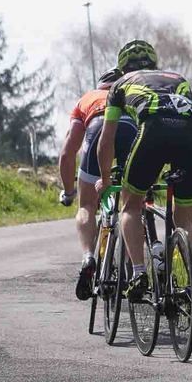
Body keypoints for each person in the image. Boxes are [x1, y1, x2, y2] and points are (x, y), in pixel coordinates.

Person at [94, 41, 192, 311]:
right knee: (185, 220)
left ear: (122, 68)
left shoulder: (120, 85)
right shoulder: (178, 78)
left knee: (131, 206)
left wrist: (105, 180)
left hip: (152, 130)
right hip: (190, 136)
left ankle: (139, 273)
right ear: (154, 64)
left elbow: (106, 140)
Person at [56, 68, 137, 299]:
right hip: (130, 129)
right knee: (133, 206)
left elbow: (67, 153)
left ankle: (88, 257)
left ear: (100, 85)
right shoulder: (132, 93)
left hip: (97, 128)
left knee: (87, 206)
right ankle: (133, 265)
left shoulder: (87, 98)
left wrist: (69, 192)